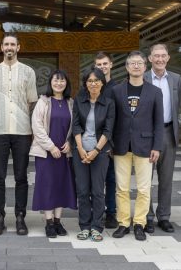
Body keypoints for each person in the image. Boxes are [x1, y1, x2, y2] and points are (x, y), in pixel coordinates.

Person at [0, 33, 38, 236]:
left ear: (18, 47)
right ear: (1, 48)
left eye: (12, 44)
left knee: (21, 176)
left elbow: (31, 101)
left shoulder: (28, 72)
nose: (9, 47)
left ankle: (20, 216)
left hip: (22, 131)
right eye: (6, 44)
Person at [111, 51, 164, 241]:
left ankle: (139, 223)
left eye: (139, 63)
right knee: (122, 188)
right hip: (121, 145)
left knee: (144, 189)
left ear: (145, 66)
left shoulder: (155, 92)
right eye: (132, 63)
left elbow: (159, 122)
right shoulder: (116, 91)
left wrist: (157, 146)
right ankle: (123, 223)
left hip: (145, 145)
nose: (136, 66)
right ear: (126, 67)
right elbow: (112, 120)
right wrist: (110, 144)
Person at [30, 69, 77, 238]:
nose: (59, 83)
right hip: (46, 153)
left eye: (62, 80)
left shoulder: (70, 103)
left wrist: (70, 144)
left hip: (64, 153)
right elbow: (37, 127)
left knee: (61, 186)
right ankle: (49, 223)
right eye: (55, 80)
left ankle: (58, 221)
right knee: (47, 186)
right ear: (50, 83)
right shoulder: (43, 102)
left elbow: (75, 127)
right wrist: (51, 147)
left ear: (66, 83)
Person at [72, 68, 114, 242]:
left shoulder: (109, 103)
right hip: (80, 152)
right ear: (85, 84)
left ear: (102, 83)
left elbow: (108, 130)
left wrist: (96, 151)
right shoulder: (79, 100)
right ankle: (84, 226)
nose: (93, 84)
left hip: (101, 152)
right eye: (90, 81)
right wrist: (81, 149)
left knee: (97, 191)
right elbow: (75, 126)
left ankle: (97, 227)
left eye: (97, 81)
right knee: (82, 191)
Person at [144, 44, 181, 234]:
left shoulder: (176, 79)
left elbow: (177, 105)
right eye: (155, 56)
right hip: (147, 134)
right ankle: (147, 216)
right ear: (149, 58)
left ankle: (164, 217)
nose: (159, 59)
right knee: (146, 178)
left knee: (166, 178)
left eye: (163, 56)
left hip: (168, 132)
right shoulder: (142, 77)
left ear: (168, 58)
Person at [94, 51, 119, 229]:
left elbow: (121, 118)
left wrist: (113, 144)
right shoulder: (91, 86)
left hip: (110, 143)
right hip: (92, 142)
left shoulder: (118, 88)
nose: (102, 67)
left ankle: (111, 213)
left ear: (111, 65)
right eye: (99, 65)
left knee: (110, 179)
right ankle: (96, 211)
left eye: (105, 64)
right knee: (94, 180)